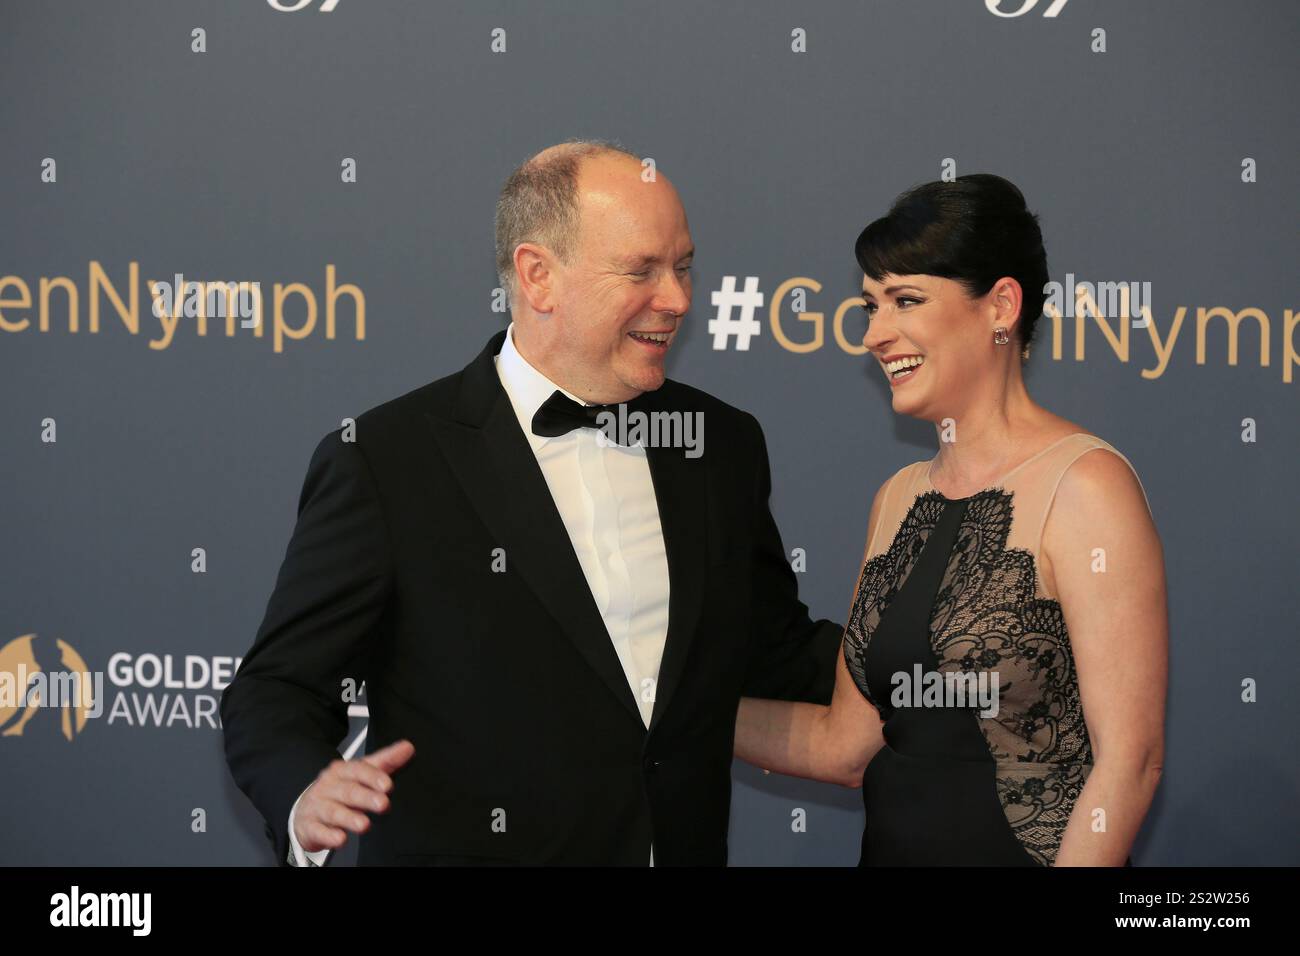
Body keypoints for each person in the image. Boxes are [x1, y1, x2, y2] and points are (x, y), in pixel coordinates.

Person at [221, 140, 841, 866]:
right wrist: (304, 793)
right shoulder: (388, 462)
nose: (677, 299)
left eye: (683, 266)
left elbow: (770, 651)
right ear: (538, 275)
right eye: (641, 270)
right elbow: (275, 690)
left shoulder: (720, 444)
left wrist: (941, 662)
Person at [734, 173, 1167, 866]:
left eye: (906, 300)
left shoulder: (1086, 486)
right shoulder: (898, 498)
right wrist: (672, 712)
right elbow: (843, 746)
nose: (876, 333)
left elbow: (1130, 764)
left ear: (1000, 305)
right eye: (871, 305)